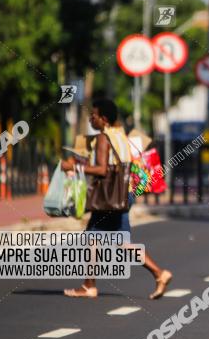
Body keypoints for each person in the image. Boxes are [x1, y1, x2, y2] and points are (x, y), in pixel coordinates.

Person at [61, 100, 173, 299]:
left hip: (109, 197)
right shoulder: (120, 136)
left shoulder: (104, 138)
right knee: (115, 240)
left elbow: (102, 170)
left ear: (104, 119)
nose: (91, 119)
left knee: (94, 237)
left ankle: (90, 286)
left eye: (94, 116)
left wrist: (74, 168)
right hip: (124, 193)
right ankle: (158, 273)